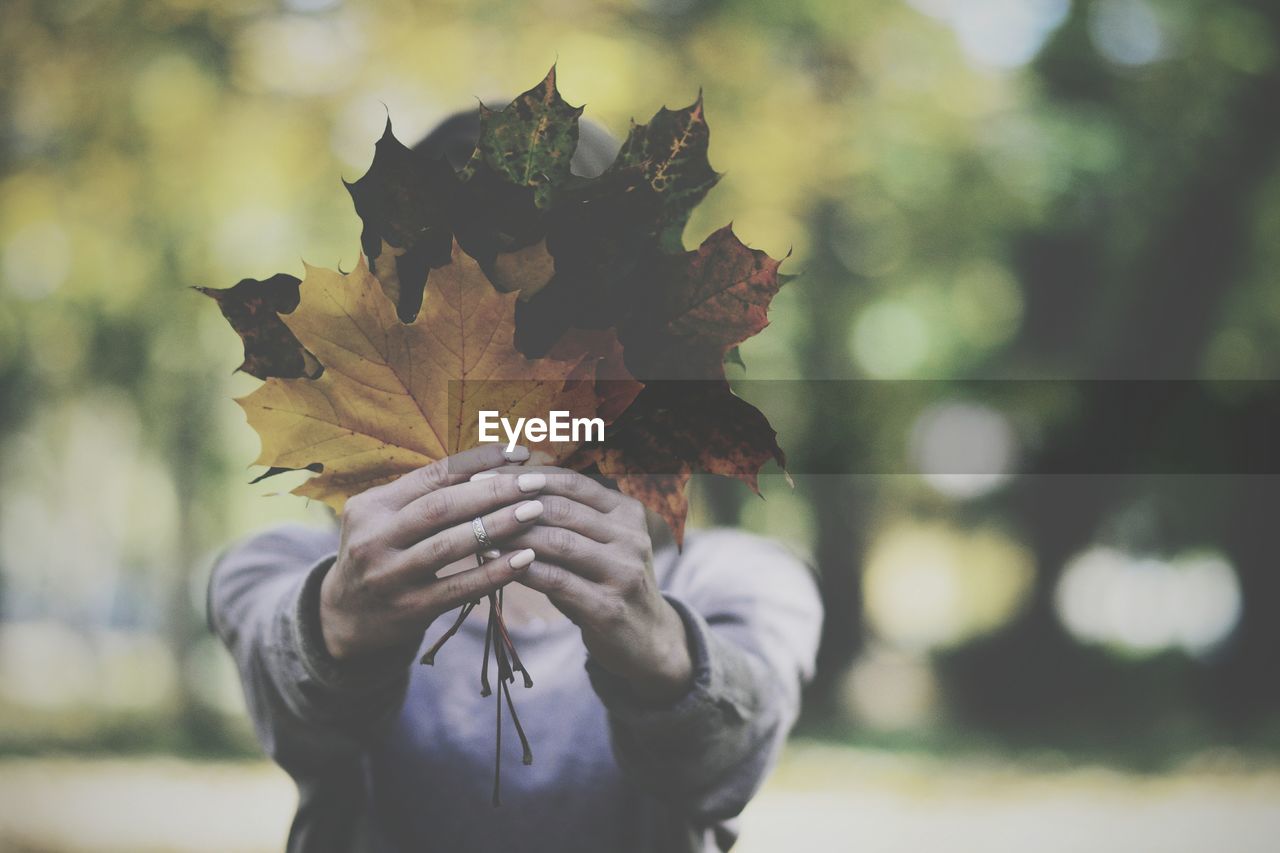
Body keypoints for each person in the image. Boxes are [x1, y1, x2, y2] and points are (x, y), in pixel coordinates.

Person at [207, 110, 823, 853]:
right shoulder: (287, 568)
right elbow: (296, 704)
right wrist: (337, 619)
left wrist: (659, 645)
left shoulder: (735, 579)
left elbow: (727, 757)